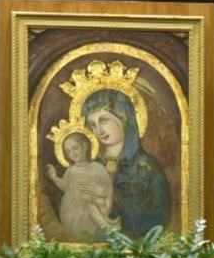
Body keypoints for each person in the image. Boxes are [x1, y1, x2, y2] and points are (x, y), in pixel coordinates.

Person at [81, 88, 171, 237]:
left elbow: (160, 214)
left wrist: (118, 200)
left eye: (104, 120)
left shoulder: (147, 167)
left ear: (124, 119)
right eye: (92, 124)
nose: (98, 130)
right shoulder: (89, 165)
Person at [46, 131, 120, 240]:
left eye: (75, 148)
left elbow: (108, 190)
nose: (72, 153)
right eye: (69, 151)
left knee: (93, 205)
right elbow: (64, 186)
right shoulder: (71, 171)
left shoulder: (98, 168)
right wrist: (54, 177)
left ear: (85, 146)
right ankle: (107, 227)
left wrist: (99, 191)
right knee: (90, 207)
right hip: (73, 211)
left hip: (95, 206)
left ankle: (106, 226)